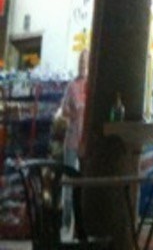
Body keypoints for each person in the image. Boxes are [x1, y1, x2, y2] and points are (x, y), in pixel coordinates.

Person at [58, 49, 88, 231]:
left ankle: (80, 221)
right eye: (81, 61)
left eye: (86, 61)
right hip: (72, 139)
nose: (83, 65)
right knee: (69, 180)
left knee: (84, 182)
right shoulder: (72, 86)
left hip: (85, 141)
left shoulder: (93, 86)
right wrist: (72, 113)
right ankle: (66, 218)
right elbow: (63, 110)